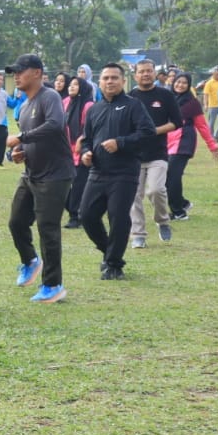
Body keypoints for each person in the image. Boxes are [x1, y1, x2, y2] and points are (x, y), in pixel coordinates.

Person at [3, 54, 73, 304]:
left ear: (37, 73)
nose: (17, 77)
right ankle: (30, 260)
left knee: (48, 229)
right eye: (15, 73)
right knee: (16, 222)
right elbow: (32, 141)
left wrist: (21, 138)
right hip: (31, 173)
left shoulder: (50, 96)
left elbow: (55, 126)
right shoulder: (23, 105)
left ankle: (53, 285)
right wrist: (17, 154)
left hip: (55, 175)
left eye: (21, 71)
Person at [78, 64, 156, 280]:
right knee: (86, 215)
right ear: (99, 82)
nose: (110, 81)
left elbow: (148, 133)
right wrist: (86, 153)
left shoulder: (133, 106)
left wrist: (121, 143)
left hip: (124, 172)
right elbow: (87, 139)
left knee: (118, 217)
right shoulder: (94, 109)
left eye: (114, 78)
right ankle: (109, 252)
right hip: (97, 172)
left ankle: (113, 265)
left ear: (123, 81)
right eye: (106, 78)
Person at [127, 59, 182, 248]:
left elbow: (177, 122)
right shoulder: (130, 97)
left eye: (149, 71)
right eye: (141, 71)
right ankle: (138, 234)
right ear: (135, 75)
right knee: (134, 194)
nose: (145, 74)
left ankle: (163, 221)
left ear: (155, 73)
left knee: (156, 190)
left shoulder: (165, 95)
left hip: (158, 153)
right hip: (134, 155)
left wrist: (154, 131)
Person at [165, 73, 218, 220]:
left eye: (184, 83)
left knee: (172, 177)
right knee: (166, 178)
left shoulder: (192, 103)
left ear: (188, 85)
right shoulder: (167, 99)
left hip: (183, 142)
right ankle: (183, 203)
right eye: (178, 82)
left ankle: (179, 212)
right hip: (167, 142)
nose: (180, 85)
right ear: (173, 83)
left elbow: (202, 126)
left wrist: (212, 145)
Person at [63, 77, 96, 228]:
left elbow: (91, 127)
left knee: (78, 184)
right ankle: (77, 210)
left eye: (75, 85)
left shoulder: (89, 105)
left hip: (80, 149)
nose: (71, 87)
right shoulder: (65, 102)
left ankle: (75, 217)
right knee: (62, 183)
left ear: (82, 88)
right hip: (64, 149)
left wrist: (81, 140)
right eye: (70, 85)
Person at [201, 66, 218, 138]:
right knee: (211, 122)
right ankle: (210, 136)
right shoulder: (209, 83)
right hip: (212, 106)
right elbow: (206, 94)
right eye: (216, 74)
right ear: (213, 74)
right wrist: (205, 104)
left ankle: (217, 135)